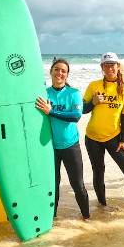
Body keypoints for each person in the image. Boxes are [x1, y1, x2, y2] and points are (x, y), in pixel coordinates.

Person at [83, 52, 124, 218]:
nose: (110, 68)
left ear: (118, 67)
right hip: (92, 137)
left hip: (114, 138)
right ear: (102, 68)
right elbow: (81, 109)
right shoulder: (94, 85)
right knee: (98, 171)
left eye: (112, 65)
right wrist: (93, 103)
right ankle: (102, 205)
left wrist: (123, 140)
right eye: (106, 65)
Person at [36, 59, 90, 220]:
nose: (59, 73)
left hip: (70, 147)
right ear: (51, 71)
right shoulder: (44, 93)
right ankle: (52, 219)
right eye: (56, 69)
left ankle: (87, 218)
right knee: (53, 185)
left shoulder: (74, 93)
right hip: (50, 147)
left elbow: (75, 116)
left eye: (63, 71)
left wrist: (51, 111)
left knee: (77, 185)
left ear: (67, 75)